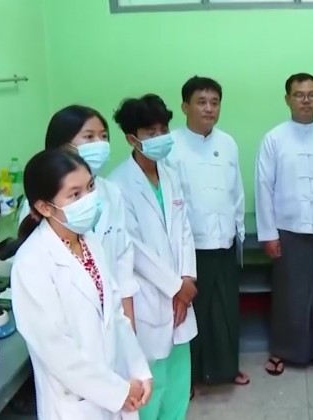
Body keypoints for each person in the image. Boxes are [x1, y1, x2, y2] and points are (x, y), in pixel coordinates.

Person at [10, 149, 153, 419]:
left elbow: (116, 316)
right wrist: (117, 392)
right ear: (44, 207)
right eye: (75, 195)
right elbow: (57, 351)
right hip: (75, 404)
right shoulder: (31, 263)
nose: (89, 199)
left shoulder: (89, 241)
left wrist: (139, 370)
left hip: (117, 389)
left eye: (90, 187)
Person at [254, 72, 313, 375]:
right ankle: (282, 351)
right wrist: (268, 234)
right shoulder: (274, 139)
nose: (306, 100)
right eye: (299, 95)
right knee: (289, 296)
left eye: (311, 94)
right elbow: (263, 187)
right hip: (287, 229)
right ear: (288, 99)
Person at [109, 94, 198, 417]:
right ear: (132, 138)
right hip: (148, 296)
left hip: (181, 294)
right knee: (152, 385)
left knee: (178, 383)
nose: (160, 137)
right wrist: (175, 287)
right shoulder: (118, 184)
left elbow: (184, 230)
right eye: (151, 132)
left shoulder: (170, 174)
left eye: (164, 130)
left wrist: (187, 278)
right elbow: (133, 248)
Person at [19, 105, 137, 325]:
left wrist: (129, 323)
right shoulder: (40, 207)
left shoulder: (110, 192)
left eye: (104, 136)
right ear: (62, 145)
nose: (100, 144)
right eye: (89, 137)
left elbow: (123, 259)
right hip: (70, 323)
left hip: (111, 316)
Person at [170, 76, 250, 387]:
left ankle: (226, 370)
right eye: (201, 102)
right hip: (190, 247)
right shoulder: (171, 146)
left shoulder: (227, 143)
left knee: (226, 310)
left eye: (214, 102)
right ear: (185, 107)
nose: (209, 109)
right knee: (194, 314)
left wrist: (239, 234)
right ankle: (189, 378)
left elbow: (236, 192)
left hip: (225, 241)